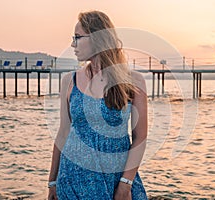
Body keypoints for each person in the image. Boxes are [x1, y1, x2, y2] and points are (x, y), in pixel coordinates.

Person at [48, 10, 148, 200]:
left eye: (77, 37)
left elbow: (140, 137)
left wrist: (126, 184)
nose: (72, 44)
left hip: (114, 180)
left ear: (97, 38)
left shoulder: (133, 81)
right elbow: (63, 133)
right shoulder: (69, 81)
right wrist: (52, 181)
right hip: (71, 180)